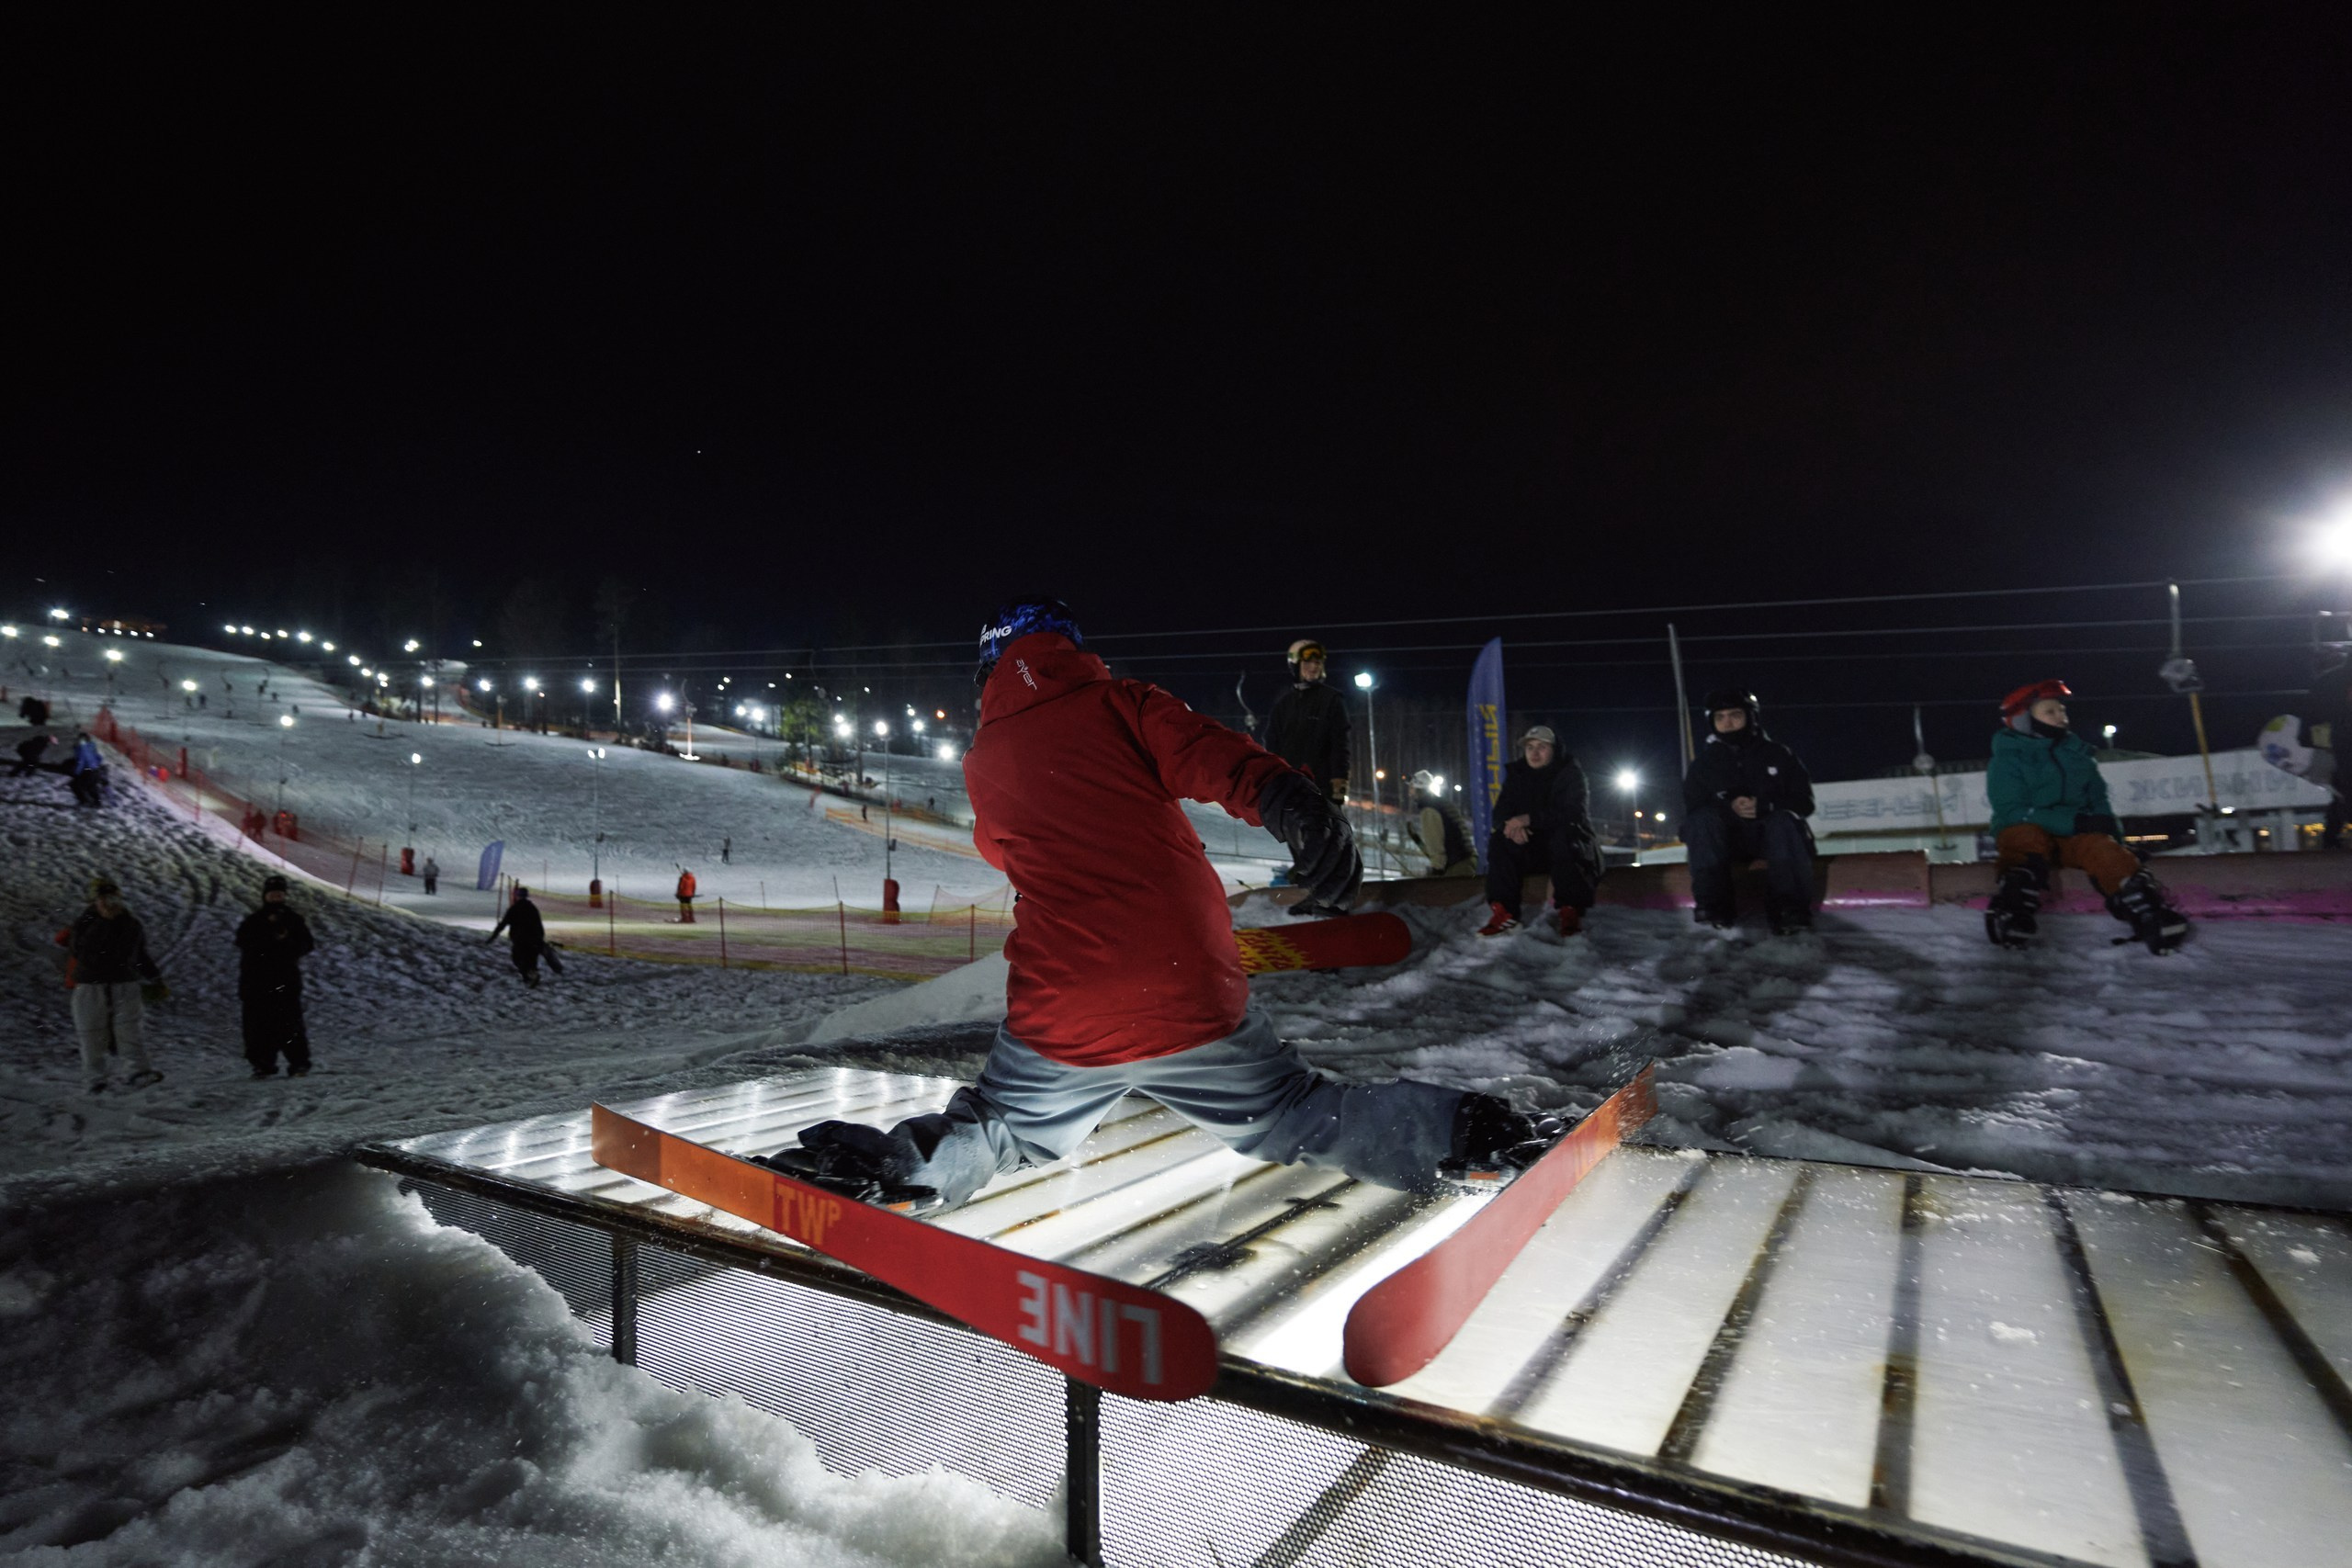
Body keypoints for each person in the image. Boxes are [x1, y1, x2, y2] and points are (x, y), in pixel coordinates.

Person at [769, 597, 1549, 1213]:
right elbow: (1213, 755)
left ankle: (899, 1169)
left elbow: (1002, 851)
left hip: (1066, 1005)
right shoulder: (1120, 702)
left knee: (1005, 1125)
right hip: (1184, 984)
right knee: (1295, 1112)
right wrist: (1292, 801)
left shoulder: (983, 761)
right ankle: (1464, 1133)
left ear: (990, 670)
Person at [1986, 679, 2188, 953]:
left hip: (2073, 840)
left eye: (2062, 710)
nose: (2061, 716)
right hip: (2028, 834)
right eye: (2050, 711)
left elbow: (2099, 803)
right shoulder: (2008, 759)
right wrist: (2074, 822)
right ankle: (2013, 911)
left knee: (2101, 848)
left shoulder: (2078, 756)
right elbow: (2012, 811)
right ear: (2023, 719)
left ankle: (2149, 914)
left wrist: (2116, 844)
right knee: (2023, 835)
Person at [1680, 687, 1818, 933]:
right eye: (1720, 717)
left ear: (1750, 716)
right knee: (1701, 821)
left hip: (1772, 839)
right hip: (1728, 842)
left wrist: (1767, 806)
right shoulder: (1703, 766)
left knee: (1784, 820)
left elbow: (1804, 802)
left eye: (1735, 715)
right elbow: (1693, 810)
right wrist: (1728, 808)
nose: (1728, 723)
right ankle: (1713, 906)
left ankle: (1790, 909)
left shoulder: (1779, 755)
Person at [1479, 726, 1604, 937]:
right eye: (1530, 748)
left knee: (1564, 837)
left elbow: (1573, 813)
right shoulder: (1517, 775)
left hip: (1569, 849)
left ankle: (1570, 910)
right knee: (1500, 840)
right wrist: (1511, 826)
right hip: (1532, 847)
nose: (1534, 753)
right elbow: (1500, 812)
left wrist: (1528, 819)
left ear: (1554, 750)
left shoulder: (1570, 773)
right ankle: (1504, 911)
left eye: (1542, 747)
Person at [67, 877, 165, 1093]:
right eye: (103, 898)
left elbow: (139, 954)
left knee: (129, 1029)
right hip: (91, 985)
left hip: (124, 983)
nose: (109, 902)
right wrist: (104, 923)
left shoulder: (131, 923)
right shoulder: (85, 923)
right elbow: (82, 952)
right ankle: (95, 1080)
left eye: (112, 897)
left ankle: (138, 1072)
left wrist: (154, 977)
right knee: (92, 1033)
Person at [235, 874, 314, 1077]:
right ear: (265, 896)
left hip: (284, 980)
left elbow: (306, 944)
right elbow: (243, 942)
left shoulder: (293, 920)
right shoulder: (254, 921)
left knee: (290, 1024)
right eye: (272, 894)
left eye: (279, 894)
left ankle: (298, 1063)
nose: (276, 898)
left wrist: (286, 942)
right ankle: (262, 1063)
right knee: (258, 1026)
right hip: (257, 982)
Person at [1262, 638, 1352, 804]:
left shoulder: (1332, 700)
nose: (1314, 667)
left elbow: (1340, 744)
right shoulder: (1283, 704)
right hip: (1289, 787)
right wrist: (1272, 779)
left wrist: (1340, 782)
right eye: (1307, 662)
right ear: (1295, 666)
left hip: (1322, 788)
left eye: (1318, 662)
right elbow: (1272, 745)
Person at [488, 885, 563, 985]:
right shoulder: (533, 908)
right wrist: (539, 939)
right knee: (531, 960)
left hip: (520, 940)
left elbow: (503, 924)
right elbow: (539, 925)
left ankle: (528, 978)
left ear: (517, 896)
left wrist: (493, 937)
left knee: (518, 959)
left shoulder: (514, 909)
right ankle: (532, 975)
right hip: (535, 940)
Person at [1408, 770, 1476, 877]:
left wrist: (1437, 869)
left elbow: (1435, 842)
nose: (1410, 792)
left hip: (1456, 865)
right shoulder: (1442, 804)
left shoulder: (1429, 809)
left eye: (1411, 788)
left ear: (1418, 788)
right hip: (1466, 860)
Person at [68, 731, 106, 807]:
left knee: (75, 785)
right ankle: (98, 803)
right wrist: (95, 765)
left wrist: (76, 772)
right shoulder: (92, 746)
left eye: (79, 739)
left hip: (88, 771)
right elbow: (100, 758)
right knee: (91, 787)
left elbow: (81, 761)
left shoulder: (82, 748)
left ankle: (84, 802)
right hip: (96, 770)